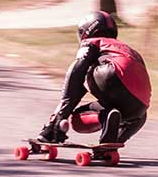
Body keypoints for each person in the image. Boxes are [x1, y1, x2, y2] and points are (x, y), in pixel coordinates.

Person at [38, 11, 151, 145]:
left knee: (76, 119)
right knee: (134, 116)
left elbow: (77, 71)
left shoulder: (93, 42)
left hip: (111, 74)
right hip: (141, 104)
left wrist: (60, 116)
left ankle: (53, 128)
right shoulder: (129, 49)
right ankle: (111, 141)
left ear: (86, 31)